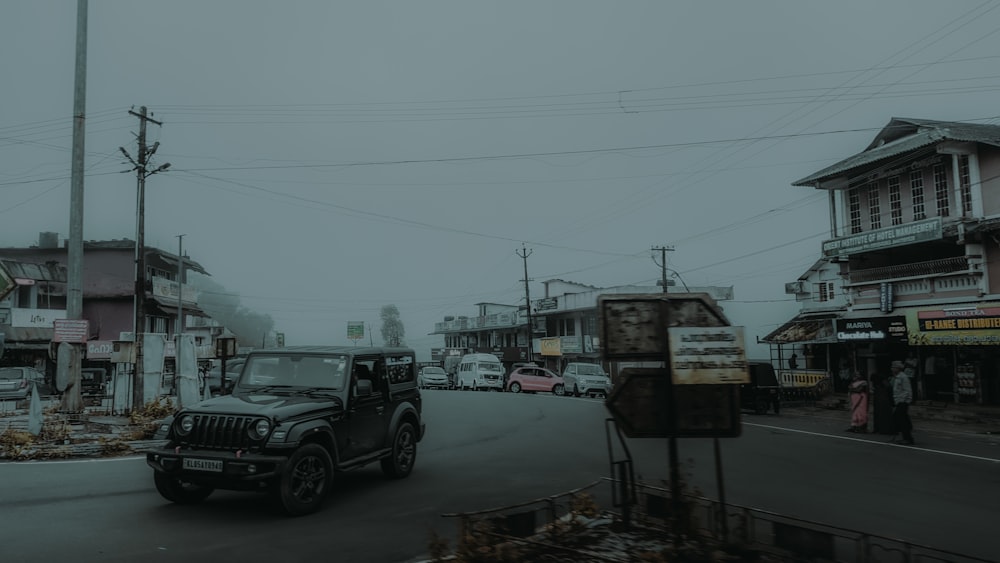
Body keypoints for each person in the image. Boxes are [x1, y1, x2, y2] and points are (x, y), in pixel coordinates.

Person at [890, 360, 915, 445]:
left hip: (903, 401)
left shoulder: (903, 377)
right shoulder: (897, 377)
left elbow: (907, 390)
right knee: (901, 419)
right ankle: (906, 434)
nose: (892, 369)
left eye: (893, 367)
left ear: (898, 368)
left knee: (900, 419)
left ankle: (907, 438)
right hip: (898, 401)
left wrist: (903, 401)